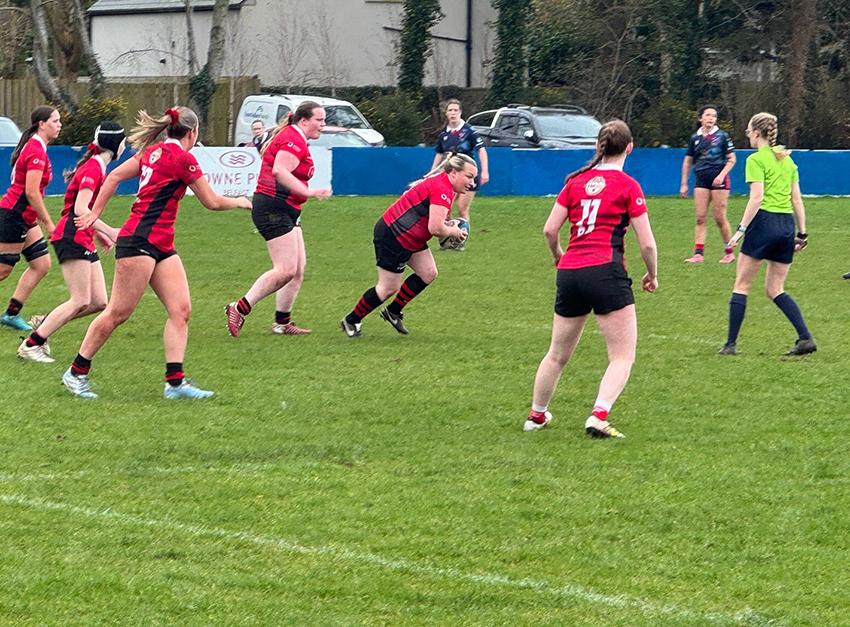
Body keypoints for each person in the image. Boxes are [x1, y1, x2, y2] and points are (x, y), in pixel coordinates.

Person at [61, 107, 251, 399]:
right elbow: (212, 202)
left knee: (181, 310)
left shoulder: (152, 152)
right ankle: (76, 372)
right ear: (192, 133)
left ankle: (175, 384)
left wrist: (94, 212)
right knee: (118, 312)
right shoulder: (183, 159)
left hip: (161, 244)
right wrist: (239, 201)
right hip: (139, 242)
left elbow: (113, 177)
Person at [524, 120, 658, 438]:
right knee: (622, 356)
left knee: (557, 354)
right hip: (605, 271)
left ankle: (536, 416)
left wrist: (558, 255)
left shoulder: (576, 182)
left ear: (599, 147)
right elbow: (647, 244)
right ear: (630, 148)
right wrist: (652, 274)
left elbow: (549, 230)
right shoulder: (628, 186)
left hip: (570, 272)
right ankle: (598, 416)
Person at [17, 122, 126, 363]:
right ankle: (31, 344)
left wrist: (98, 233)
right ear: (114, 145)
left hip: (81, 234)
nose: (124, 146)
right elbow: (80, 208)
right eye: (123, 142)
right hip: (72, 235)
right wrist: (109, 231)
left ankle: (47, 321)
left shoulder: (97, 166)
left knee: (99, 301)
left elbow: (83, 210)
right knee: (80, 300)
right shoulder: (94, 168)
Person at [225, 101, 331, 338]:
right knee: (285, 269)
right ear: (303, 120)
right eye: (319, 120)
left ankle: (282, 323)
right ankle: (239, 308)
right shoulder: (293, 139)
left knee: (297, 270)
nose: (323, 125)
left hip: (288, 208)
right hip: (273, 207)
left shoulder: (296, 137)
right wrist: (308, 192)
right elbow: (279, 171)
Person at [340, 153, 475, 338]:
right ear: (454, 173)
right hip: (394, 235)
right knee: (388, 288)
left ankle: (393, 311)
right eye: (469, 176)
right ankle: (351, 320)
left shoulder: (445, 184)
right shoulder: (442, 188)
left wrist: (448, 227)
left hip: (409, 235)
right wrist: (453, 232)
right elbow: (435, 228)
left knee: (428, 273)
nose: (472, 183)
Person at [719, 112, 815, 357]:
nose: (747, 135)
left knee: (742, 285)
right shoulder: (787, 159)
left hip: (763, 223)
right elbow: (796, 199)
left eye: (748, 131)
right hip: (786, 226)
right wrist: (802, 233)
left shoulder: (755, 160)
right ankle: (805, 338)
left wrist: (740, 230)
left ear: (756, 132)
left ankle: (730, 345)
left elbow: (757, 197)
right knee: (775, 288)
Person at [0, 105, 60, 331]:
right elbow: (31, 192)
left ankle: (11, 314)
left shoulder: (37, 146)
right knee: (3, 270)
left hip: (24, 216)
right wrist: (49, 223)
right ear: (42, 124)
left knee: (41, 264)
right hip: (14, 215)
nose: (60, 125)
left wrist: (37, 216)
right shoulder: (35, 149)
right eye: (55, 121)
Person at [430, 99, 489, 250]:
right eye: (450, 110)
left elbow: (481, 149)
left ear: (460, 112)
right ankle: (446, 240)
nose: (453, 113)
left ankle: (460, 241)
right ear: (446, 113)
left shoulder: (469, 131)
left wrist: (485, 171)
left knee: (462, 209)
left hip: (467, 176)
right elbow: (439, 154)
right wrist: (433, 171)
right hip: (450, 176)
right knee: (445, 210)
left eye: (455, 110)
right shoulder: (444, 134)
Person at [680, 105, 736, 264]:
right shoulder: (694, 138)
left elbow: (732, 159)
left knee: (719, 218)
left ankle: (729, 252)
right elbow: (688, 161)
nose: (711, 118)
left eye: (714, 116)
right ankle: (698, 254)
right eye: (708, 115)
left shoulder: (722, 137)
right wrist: (684, 183)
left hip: (719, 180)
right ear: (700, 118)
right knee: (700, 218)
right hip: (701, 180)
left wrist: (721, 175)